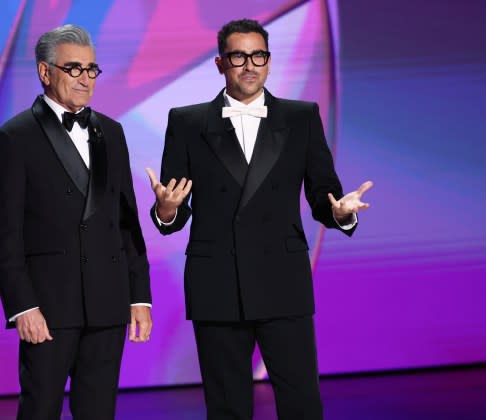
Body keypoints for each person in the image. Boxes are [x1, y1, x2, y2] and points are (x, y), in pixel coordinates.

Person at [146, 18, 372, 420]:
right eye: (238, 56)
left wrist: (338, 213)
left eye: (258, 55)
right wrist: (166, 211)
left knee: (301, 401)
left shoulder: (301, 117)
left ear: (268, 61)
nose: (249, 65)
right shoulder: (187, 122)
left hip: (283, 281)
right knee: (227, 406)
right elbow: (173, 207)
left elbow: (324, 194)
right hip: (217, 283)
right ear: (220, 63)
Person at [0, 24, 152, 420]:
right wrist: (23, 306)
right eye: (73, 68)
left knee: (98, 411)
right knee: (40, 409)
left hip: (108, 302)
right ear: (46, 73)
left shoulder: (111, 131)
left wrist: (138, 295)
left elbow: (125, 220)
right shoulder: (15, 138)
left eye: (91, 69)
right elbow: (4, 233)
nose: (85, 78)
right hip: (48, 306)